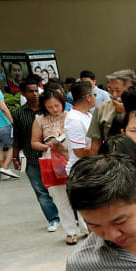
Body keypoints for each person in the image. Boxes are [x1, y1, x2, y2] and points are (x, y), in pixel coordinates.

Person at [31, 87, 89, 245]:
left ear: (63, 103)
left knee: (81, 196)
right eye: (50, 107)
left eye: (57, 105)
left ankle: (86, 227)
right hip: (52, 161)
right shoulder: (40, 119)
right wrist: (49, 146)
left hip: (73, 159)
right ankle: (70, 231)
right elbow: (34, 142)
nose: (54, 109)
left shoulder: (72, 117)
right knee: (61, 199)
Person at [12, 78, 60, 232]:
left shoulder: (48, 109)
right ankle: (53, 219)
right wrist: (15, 157)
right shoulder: (18, 113)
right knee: (41, 191)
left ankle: (73, 215)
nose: (34, 94)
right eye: (30, 91)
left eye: (36, 90)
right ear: (23, 93)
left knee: (62, 187)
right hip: (33, 158)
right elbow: (17, 137)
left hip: (54, 156)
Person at [87, 69, 136, 154]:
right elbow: (96, 144)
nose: (113, 95)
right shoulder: (102, 108)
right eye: (110, 90)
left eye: (118, 90)